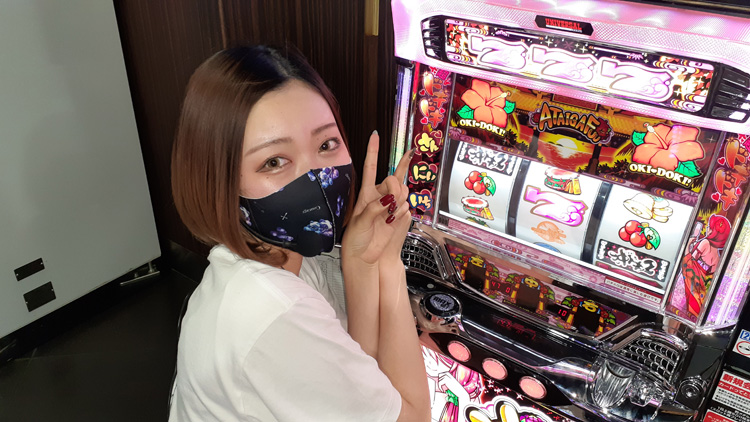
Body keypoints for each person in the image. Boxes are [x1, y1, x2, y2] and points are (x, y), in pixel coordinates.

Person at [169, 45, 430, 421]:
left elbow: (359, 370)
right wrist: (390, 263)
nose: (316, 179)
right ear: (220, 182)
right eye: (274, 161)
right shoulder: (273, 310)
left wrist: (362, 259)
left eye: (326, 144)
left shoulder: (280, 258)